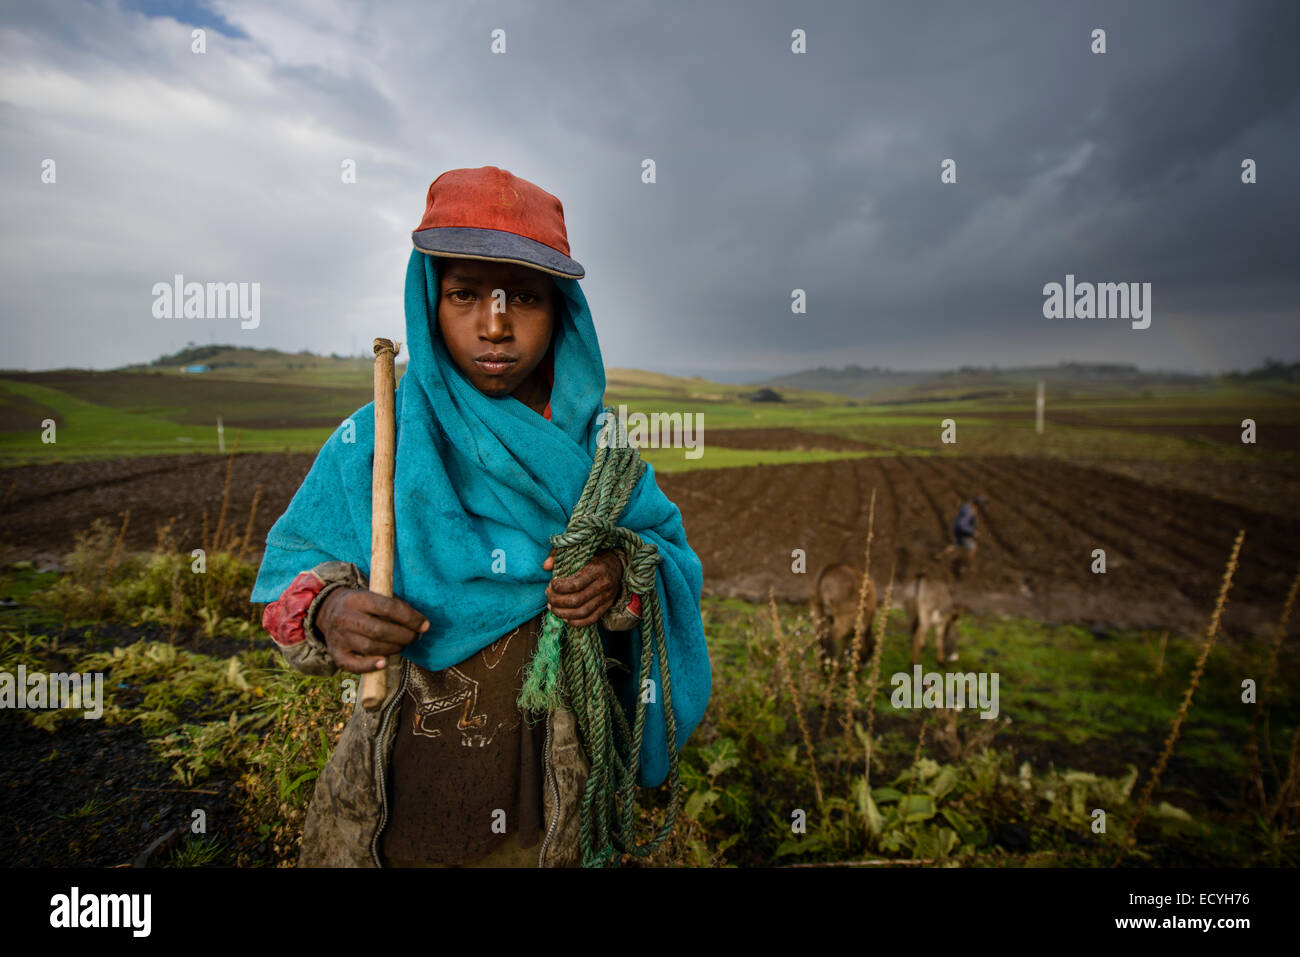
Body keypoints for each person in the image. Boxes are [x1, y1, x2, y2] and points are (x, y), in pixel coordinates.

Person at [251, 166, 712, 868]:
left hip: (554, 805)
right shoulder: (379, 443)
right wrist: (331, 609)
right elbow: (286, 579)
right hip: (394, 805)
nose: (494, 325)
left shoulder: (599, 454)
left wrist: (617, 573)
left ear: (562, 312)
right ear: (429, 302)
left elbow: (666, 556)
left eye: (523, 297)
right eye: (465, 294)